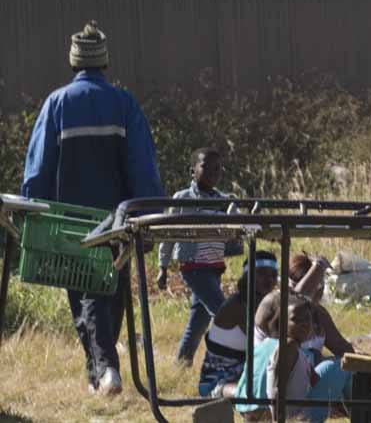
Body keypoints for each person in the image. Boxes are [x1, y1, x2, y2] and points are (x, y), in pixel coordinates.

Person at [20, 20, 164, 395]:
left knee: (85, 295)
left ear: (73, 63)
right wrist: (148, 211)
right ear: (104, 63)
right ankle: (100, 371)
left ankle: (105, 370)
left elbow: (38, 167)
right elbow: (142, 164)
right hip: (118, 221)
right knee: (109, 292)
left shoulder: (57, 104)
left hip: (69, 225)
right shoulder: (123, 103)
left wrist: (31, 209)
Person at [157, 147, 238, 365]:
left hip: (214, 265)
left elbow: (236, 226)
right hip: (193, 266)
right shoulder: (182, 199)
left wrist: (236, 214)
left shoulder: (223, 200)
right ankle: (231, 360)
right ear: (192, 171)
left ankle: (182, 363)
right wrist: (162, 267)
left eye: (217, 168)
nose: (212, 172)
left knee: (198, 321)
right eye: (206, 167)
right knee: (223, 312)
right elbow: (167, 234)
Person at [236, 290, 353, 423]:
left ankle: (356, 410)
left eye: (308, 319)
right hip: (287, 418)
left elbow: (314, 379)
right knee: (341, 366)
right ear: (282, 322)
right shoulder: (288, 346)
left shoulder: (268, 345)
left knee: (332, 366)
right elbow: (275, 388)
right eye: (295, 320)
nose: (304, 324)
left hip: (254, 412)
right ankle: (367, 413)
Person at [198, 251, 280, 399]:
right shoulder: (237, 305)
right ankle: (225, 394)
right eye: (261, 273)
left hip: (244, 376)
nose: (269, 280)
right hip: (217, 382)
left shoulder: (263, 303)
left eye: (273, 275)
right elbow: (268, 339)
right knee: (255, 394)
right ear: (249, 276)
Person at [286, 252, 356, 364]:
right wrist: (318, 265)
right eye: (315, 284)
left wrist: (362, 361)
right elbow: (297, 298)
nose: (321, 290)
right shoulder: (281, 310)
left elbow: (341, 347)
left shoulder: (319, 314)